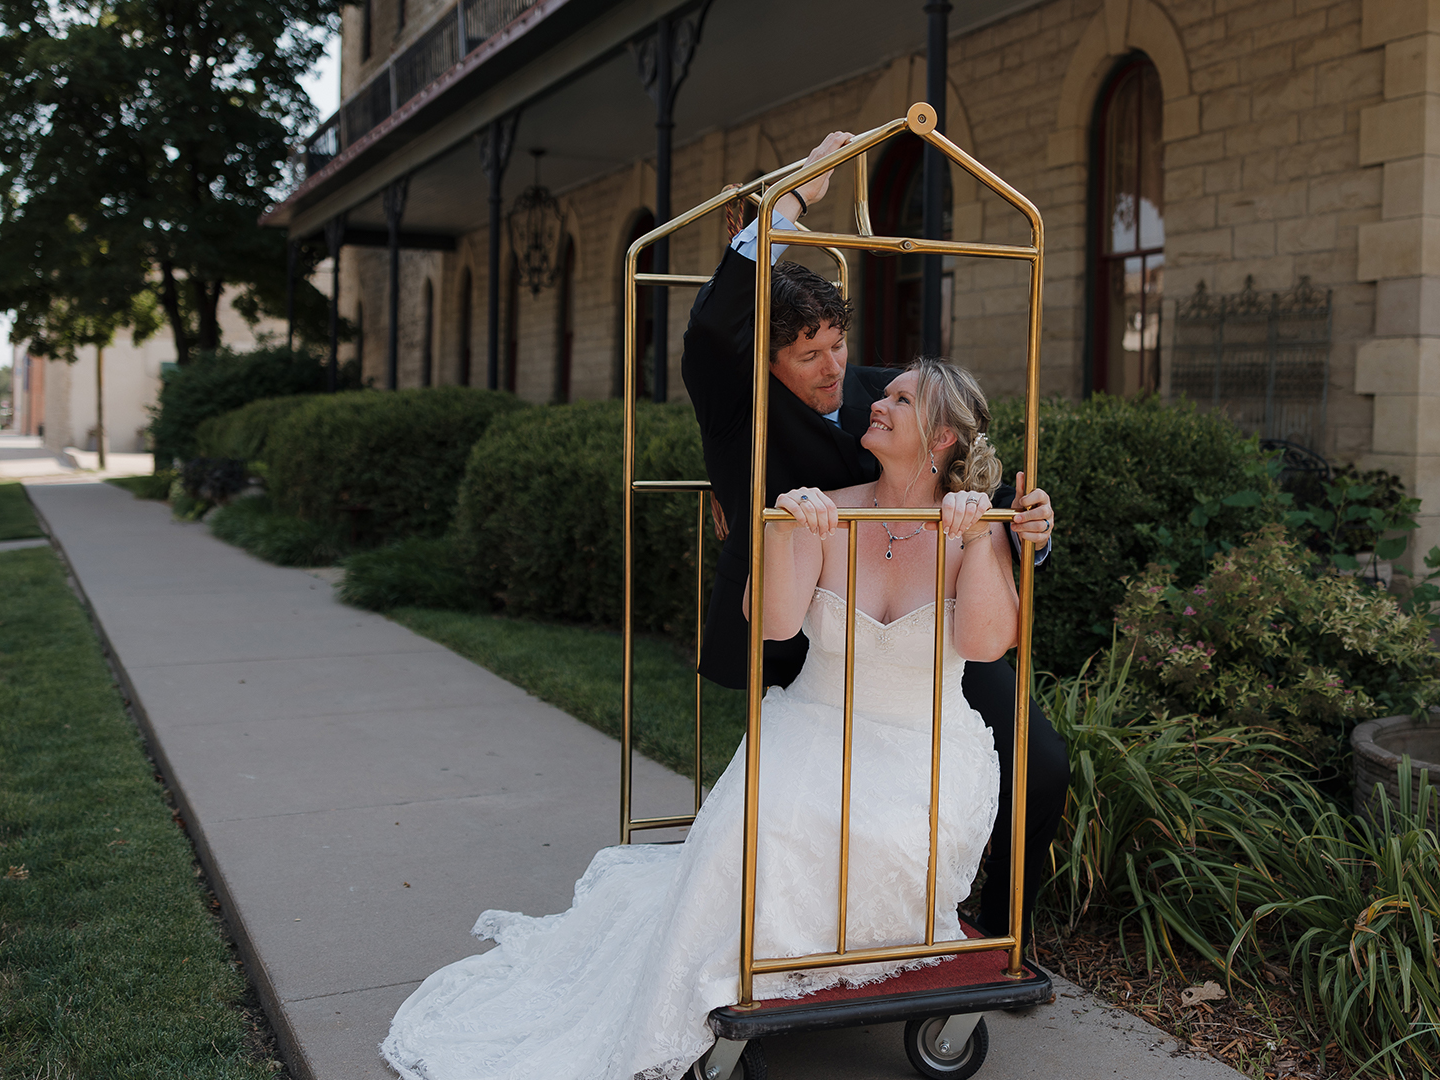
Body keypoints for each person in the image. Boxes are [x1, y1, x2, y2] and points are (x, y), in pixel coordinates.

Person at [381, 357, 1031, 1080]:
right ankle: (725, 984)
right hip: (813, 727)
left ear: (941, 436)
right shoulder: (828, 506)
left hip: (925, 746)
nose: (876, 403)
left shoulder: (977, 527)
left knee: (884, 836)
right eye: (884, 394)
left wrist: (978, 540)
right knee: (767, 831)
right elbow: (774, 625)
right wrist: (788, 532)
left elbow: (982, 644)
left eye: (900, 400)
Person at [679, 131, 1067, 939]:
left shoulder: (883, 397)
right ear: (768, 358)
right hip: (801, 628)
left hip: (920, 637)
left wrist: (1028, 527)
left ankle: (1002, 936)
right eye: (807, 354)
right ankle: (804, 938)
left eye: (838, 344)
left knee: (1039, 759)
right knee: (804, 802)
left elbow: (967, 481)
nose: (832, 369)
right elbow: (716, 324)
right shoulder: (734, 399)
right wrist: (794, 198)